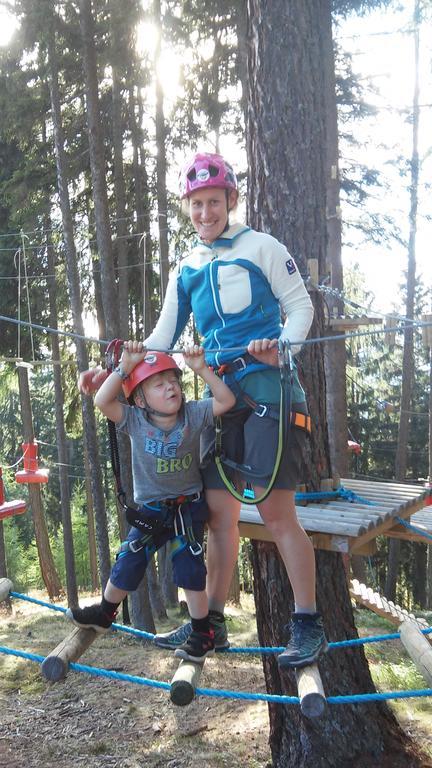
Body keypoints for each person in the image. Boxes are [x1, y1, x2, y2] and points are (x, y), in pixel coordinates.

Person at [80, 151, 327, 668]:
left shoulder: (261, 246)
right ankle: (211, 624)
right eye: (196, 204)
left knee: (278, 515)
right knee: (218, 516)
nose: (205, 213)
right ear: (187, 208)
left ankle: (308, 622)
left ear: (230, 200)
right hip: (217, 399)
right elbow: (161, 340)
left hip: (269, 394)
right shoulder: (187, 268)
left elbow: (301, 306)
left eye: (214, 201)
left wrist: (282, 347)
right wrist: (115, 374)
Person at [68, 340, 235, 662]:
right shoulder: (134, 420)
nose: (170, 387)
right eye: (159, 384)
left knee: (189, 566)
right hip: (152, 510)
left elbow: (225, 399)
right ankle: (106, 612)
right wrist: (124, 368)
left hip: (187, 507)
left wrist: (201, 370)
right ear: (140, 399)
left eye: (173, 381)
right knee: (129, 558)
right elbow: (103, 399)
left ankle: (202, 632)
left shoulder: (194, 414)